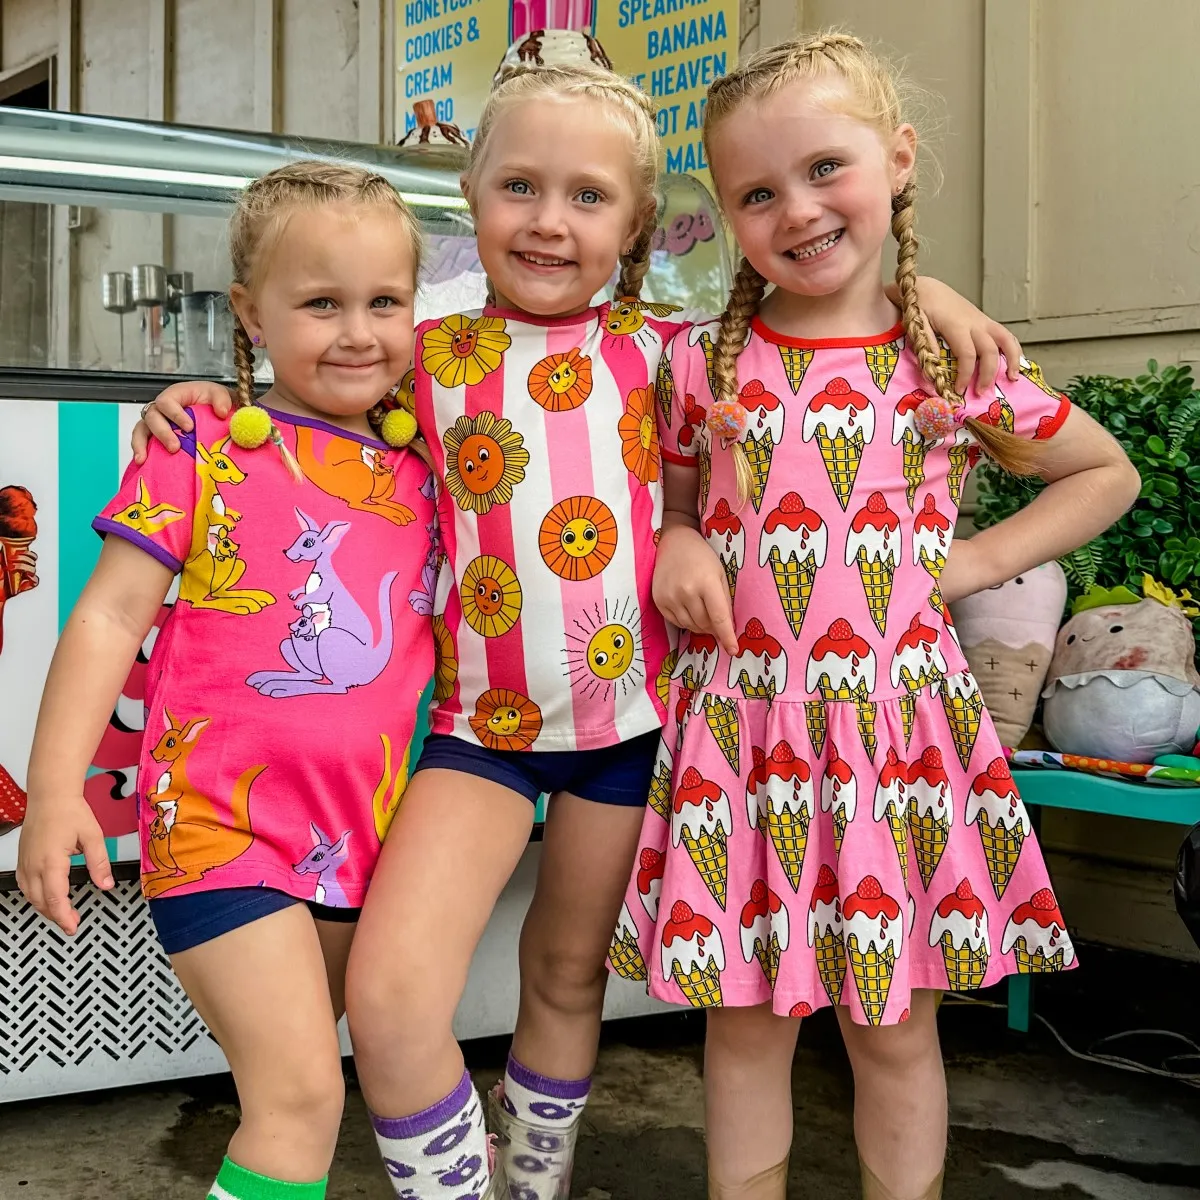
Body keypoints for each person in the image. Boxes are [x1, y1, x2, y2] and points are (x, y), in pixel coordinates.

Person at [132, 63, 1036, 1200]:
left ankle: (536, 1182)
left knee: (564, 977)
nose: (550, 221)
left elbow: (821, 316)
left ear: (641, 223)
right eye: (519, 185)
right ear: (471, 195)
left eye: (589, 197)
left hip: (633, 734)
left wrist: (925, 297)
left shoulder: (682, 355)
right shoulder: (428, 353)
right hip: (479, 736)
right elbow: (326, 362)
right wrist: (206, 397)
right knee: (393, 991)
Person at [622, 32, 1141, 1200]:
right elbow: (678, 492)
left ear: (898, 161)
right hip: (745, 739)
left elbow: (1102, 472)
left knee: (894, 1024)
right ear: (730, 214)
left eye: (825, 169)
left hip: (893, 741)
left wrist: (973, 562)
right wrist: (678, 535)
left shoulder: (947, 357)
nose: (796, 210)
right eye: (757, 193)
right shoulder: (704, 361)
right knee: (744, 1026)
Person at [17, 162, 439, 1200]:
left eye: (385, 302)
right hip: (216, 828)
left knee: (298, 1088)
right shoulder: (198, 445)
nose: (357, 332)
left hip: (364, 835)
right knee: (298, 1102)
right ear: (250, 314)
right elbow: (112, 614)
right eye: (320, 303)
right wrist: (56, 790)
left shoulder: (430, 460)